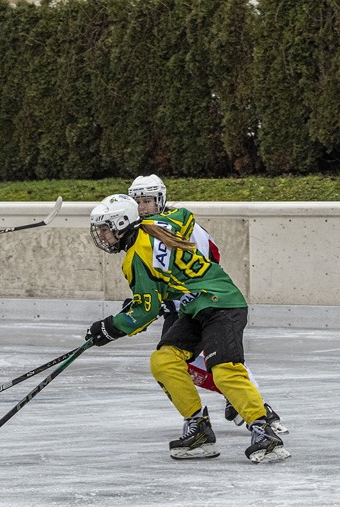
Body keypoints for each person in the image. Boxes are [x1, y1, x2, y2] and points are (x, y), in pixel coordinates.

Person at [84, 193, 290, 463]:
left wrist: (109, 328)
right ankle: (199, 429)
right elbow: (185, 216)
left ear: (122, 224)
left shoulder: (136, 257)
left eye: (104, 229)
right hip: (195, 307)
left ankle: (264, 432)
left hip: (222, 303)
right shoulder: (161, 223)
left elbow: (145, 311)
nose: (102, 236)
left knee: (225, 369)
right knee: (164, 360)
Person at [127, 174, 286, 434]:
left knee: (221, 358)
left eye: (147, 201)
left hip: (203, 302)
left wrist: (181, 298)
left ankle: (258, 410)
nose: (142, 207)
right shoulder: (144, 231)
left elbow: (203, 265)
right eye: (138, 202)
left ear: (161, 199)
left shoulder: (181, 226)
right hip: (182, 305)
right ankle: (218, 410)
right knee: (172, 359)